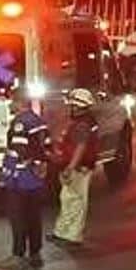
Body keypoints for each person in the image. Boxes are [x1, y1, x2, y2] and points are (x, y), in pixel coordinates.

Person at [0, 89, 52, 270]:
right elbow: (47, 147)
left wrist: (19, 162)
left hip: (20, 178)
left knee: (18, 217)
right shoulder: (39, 121)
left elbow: (21, 150)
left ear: (19, 102)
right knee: (34, 217)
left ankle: (18, 255)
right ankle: (35, 254)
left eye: (12, 101)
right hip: (35, 178)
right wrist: (40, 164)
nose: (9, 104)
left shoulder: (20, 123)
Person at [48, 88, 99, 247]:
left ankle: (71, 236)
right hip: (79, 166)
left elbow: (81, 147)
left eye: (72, 105)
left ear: (78, 106)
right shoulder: (87, 122)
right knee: (69, 199)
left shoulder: (82, 125)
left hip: (78, 168)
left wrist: (71, 167)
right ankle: (62, 232)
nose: (70, 108)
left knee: (74, 201)